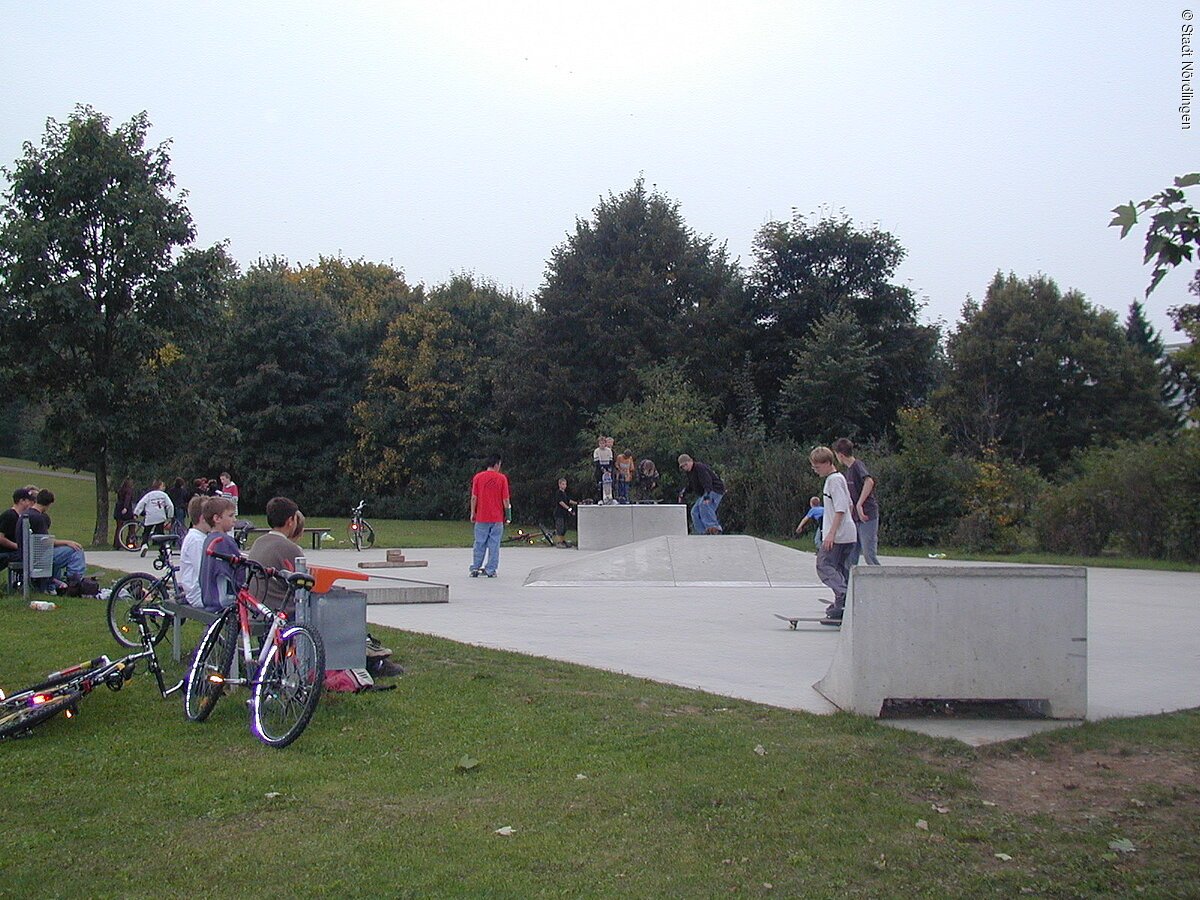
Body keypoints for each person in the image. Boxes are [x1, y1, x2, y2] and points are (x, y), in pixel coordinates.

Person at [810, 446, 857, 626]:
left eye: (817, 467)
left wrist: (830, 533)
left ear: (828, 463)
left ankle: (843, 595)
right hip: (847, 533)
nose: (815, 470)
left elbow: (841, 508)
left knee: (823, 565)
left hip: (837, 536)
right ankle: (841, 606)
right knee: (839, 569)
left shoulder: (833, 481)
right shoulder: (840, 479)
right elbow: (850, 505)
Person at [28, 489, 96, 595]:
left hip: (30, 554)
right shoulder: (38, 517)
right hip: (39, 557)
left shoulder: (27, 514)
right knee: (76, 550)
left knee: (64, 552)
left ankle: (55, 584)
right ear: (48, 504)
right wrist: (67, 542)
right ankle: (74, 584)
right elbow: (45, 541)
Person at [833, 438, 880, 566]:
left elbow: (869, 481)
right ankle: (848, 578)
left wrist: (859, 504)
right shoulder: (848, 471)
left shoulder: (857, 465)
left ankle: (880, 577)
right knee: (851, 554)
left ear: (840, 455)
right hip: (855, 518)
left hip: (867, 514)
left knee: (868, 553)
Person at [469, 454, 511, 578]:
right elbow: (505, 499)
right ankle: (490, 570)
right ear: (496, 464)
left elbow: (474, 497)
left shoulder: (478, 477)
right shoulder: (502, 478)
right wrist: (508, 515)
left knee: (479, 543)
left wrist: (473, 512)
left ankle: (475, 568)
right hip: (497, 518)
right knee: (494, 544)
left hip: (482, 516)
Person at [198, 496, 241, 611]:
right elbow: (237, 569)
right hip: (223, 600)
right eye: (231, 516)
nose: (234, 520)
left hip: (209, 597)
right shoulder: (224, 540)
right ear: (217, 518)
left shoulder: (208, 539)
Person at [676, 453, 725, 535]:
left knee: (704, 505)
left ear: (691, 461)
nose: (685, 467)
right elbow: (691, 486)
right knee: (694, 512)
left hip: (714, 490)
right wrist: (683, 493)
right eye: (682, 467)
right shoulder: (689, 473)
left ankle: (714, 528)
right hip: (706, 492)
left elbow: (707, 481)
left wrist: (707, 496)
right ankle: (703, 532)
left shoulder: (699, 467)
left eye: (686, 464)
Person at [178, 494, 211, 607]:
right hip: (198, 594)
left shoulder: (201, 537)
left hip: (202, 591)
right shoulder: (196, 540)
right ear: (203, 519)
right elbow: (203, 571)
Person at [0, 486, 37, 569]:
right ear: (21, 501)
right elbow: (1, 538)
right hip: (4, 553)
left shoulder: (21, 517)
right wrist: (18, 546)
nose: (30, 503)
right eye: (28, 500)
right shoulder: (10, 515)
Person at [134, 480, 174, 548]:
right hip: (160, 516)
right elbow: (170, 505)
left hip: (150, 516)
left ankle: (144, 544)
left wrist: (136, 513)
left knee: (146, 532)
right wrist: (170, 516)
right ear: (159, 486)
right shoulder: (164, 495)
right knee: (160, 532)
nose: (164, 487)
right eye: (162, 486)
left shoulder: (149, 495)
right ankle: (162, 547)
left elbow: (141, 503)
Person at [113, 477, 136, 549]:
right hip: (126, 511)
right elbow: (127, 499)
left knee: (119, 527)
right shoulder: (129, 490)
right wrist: (125, 507)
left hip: (118, 509)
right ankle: (130, 542)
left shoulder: (121, 490)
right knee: (132, 526)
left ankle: (117, 544)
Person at [552, 477, 575, 546]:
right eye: (563, 484)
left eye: (565, 484)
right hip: (559, 514)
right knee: (560, 528)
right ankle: (559, 542)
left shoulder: (564, 493)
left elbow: (568, 500)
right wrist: (569, 509)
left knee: (565, 528)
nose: (564, 486)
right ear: (559, 484)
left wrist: (577, 503)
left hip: (564, 514)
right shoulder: (558, 493)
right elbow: (561, 502)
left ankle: (562, 541)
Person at [592, 435, 615, 502]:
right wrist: (603, 470)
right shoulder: (596, 451)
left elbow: (611, 461)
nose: (602, 445)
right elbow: (597, 462)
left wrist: (609, 470)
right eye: (600, 443)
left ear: (605, 443)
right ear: (599, 444)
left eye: (603, 443)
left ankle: (610, 498)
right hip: (599, 469)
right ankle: (600, 499)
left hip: (608, 468)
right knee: (600, 485)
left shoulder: (609, 450)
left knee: (610, 484)